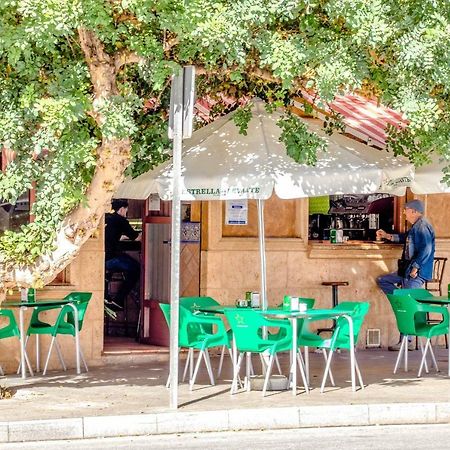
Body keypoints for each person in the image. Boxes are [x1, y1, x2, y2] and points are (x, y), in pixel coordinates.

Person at [376, 199, 435, 351]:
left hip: (415, 273)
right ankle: (398, 300)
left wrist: (415, 267)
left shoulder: (422, 226)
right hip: (407, 271)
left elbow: (426, 250)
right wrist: (388, 236)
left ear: (414, 212)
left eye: (406, 210)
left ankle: (406, 341)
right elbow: (404, 238)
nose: (403, 212)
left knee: (407, 306)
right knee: (383, 280)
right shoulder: (416, 227)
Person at [105, 199, 141, 310]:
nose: (126, 213)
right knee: (136, 269)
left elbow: (112, 235)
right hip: (112, 259)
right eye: (126, 211)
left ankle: (106, 294)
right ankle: (118, 300)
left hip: (102, 258)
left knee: (113, 267)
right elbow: (137, 237)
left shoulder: (107, 218)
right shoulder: (121, 221)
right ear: (121, 209)